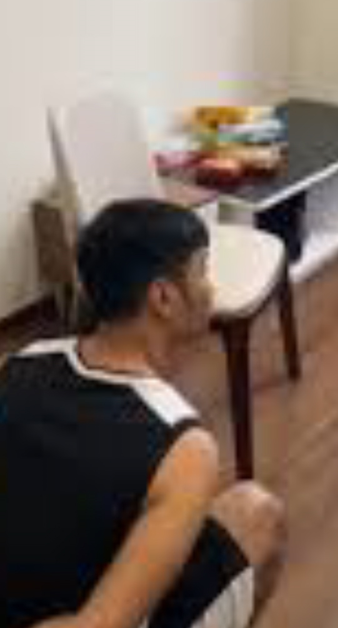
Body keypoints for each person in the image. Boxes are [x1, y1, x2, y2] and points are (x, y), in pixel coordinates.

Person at [0, 200, 285, 628]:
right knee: (259, 514)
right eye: (203, 271)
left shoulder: (21, 361)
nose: (211, 288)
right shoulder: (184, 448)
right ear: (163, 297)